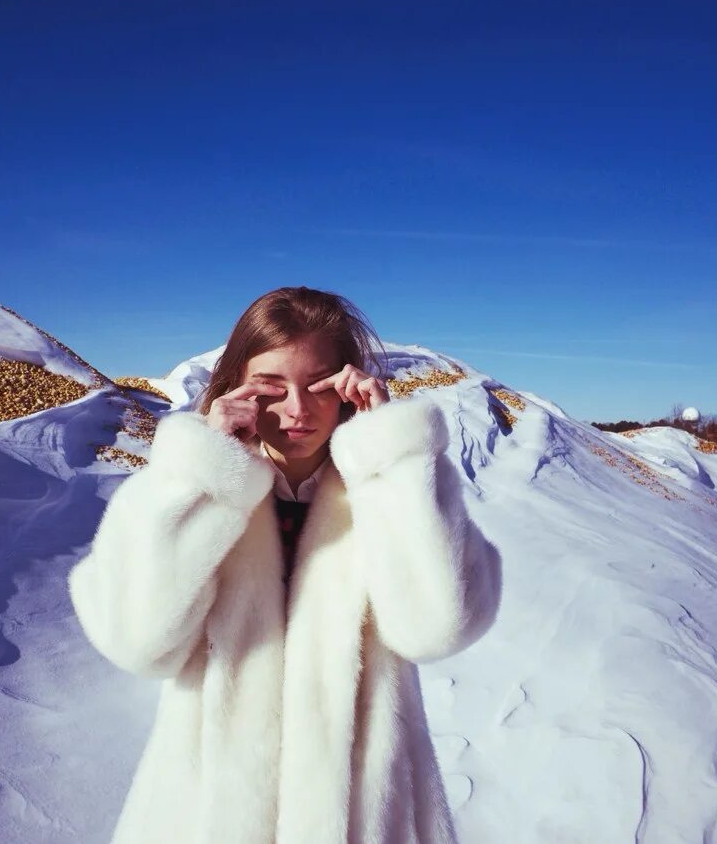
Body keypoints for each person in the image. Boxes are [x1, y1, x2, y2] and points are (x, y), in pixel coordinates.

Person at [68, 286, 503, 844]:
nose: (297, 410)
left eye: (319, 387)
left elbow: (436, 627)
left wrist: (392, 460)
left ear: (348, 388)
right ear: (235, 389)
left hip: (364, 817)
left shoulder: (390, 487)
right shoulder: (185, 489)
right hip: (206, 817)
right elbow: (139, 642)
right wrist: (205, 476)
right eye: (272, 387)